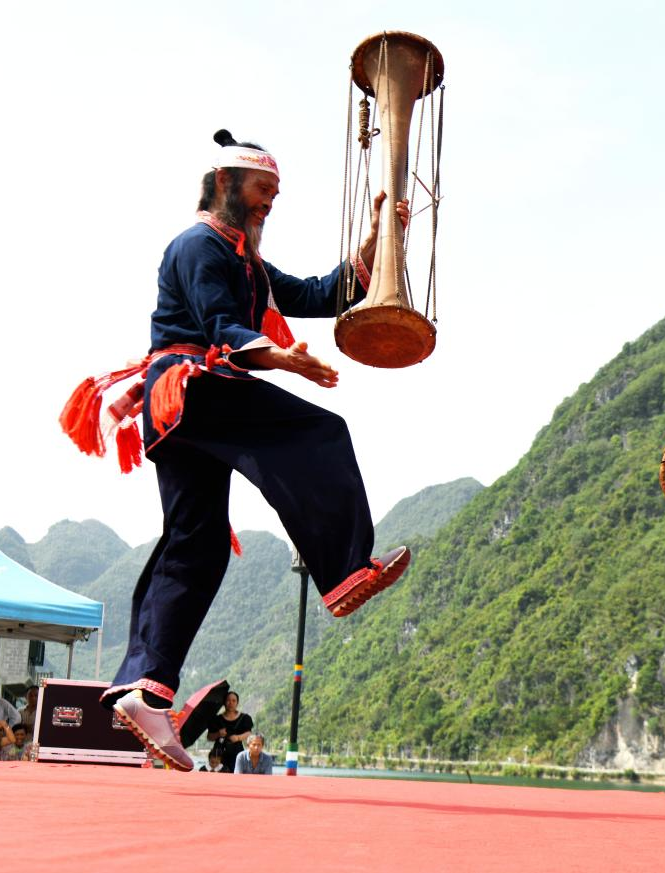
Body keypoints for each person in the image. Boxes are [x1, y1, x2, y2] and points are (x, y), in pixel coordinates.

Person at [70, 130, 415, 771]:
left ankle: (145, 689)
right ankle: (342, 572)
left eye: (276, 194)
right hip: (194, 389)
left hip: (176, 411)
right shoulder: (199, 244)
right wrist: (279, 358)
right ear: (226, 184)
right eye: (263, 190)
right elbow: (220, 324)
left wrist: (375, 239)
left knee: (194, 548)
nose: (270, 203)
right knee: (318, 433)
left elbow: (318, 294)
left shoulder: (247, 260)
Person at [206, 691, 254, 773]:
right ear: (224, 702)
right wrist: (218, 734)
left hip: (237, 753)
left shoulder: (245, 718)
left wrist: (238, 737)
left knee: (237, 776)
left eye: (233, 700)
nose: (231, 703)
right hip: (218, 755)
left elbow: (249, 733)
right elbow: (209, 737)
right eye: (228, 700)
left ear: (237, 703)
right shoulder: (216, 719)